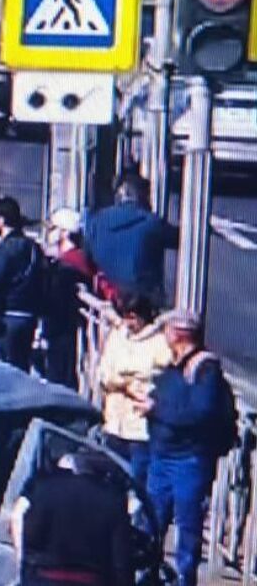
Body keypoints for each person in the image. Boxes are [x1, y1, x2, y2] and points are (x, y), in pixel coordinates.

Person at [141, 309, 238, 586]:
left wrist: (156, 408)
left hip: (188, 460)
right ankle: (149, 574)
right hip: (161, 456)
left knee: (188, 526)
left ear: (180, 334)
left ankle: (185, 579)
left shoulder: (205, 369)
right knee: (153, 521)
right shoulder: (172, 365)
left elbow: (200, 412)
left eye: (167, 330)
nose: (164, 335)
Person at [13, 450, 135, 586]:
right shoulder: (112, 498)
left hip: (44, 578)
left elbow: (30, 538)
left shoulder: (42, 489)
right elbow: (121, 561)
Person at [97, 294, 171, 488]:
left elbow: (158, 376)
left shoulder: (159, 343)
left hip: (139, 426)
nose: (129, 323)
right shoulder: (117, 337)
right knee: (110, 473)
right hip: (114, 420)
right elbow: (105, 371)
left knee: (136, 477)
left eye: (133, 317)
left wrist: (133, 381)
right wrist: (122, 381)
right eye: (126, 317)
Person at [86, 173, 178, 307]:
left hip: (107, 298)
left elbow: (88, 258)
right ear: (141, 196)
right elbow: (178, 239)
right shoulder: (151, 222)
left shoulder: (95, 223)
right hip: (144, 299)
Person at [0, 196, 44, 371]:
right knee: (21, 367)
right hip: (29, 318)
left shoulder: (3, 251)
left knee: (4, 369)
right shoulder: (34, 248)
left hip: (6, 319)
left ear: (2, 220)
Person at [41, 208, 97, 388]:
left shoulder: (73, 262)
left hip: (63, 329)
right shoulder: (68, 260)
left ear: (65, 232)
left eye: (52, 228)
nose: (48, 233)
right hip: (60, 329)